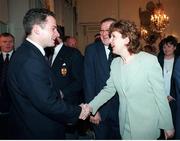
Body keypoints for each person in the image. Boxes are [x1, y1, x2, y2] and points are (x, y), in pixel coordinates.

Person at [82, 19, 175, 139]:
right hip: (124, 125)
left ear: (126, 39)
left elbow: (160, 96)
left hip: (146, 126)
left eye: (114, 37)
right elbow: (108, 90)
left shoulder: (149, 61)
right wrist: (90, 107)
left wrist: (167, 125)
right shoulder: (115, 63)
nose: (110, 40)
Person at [6, 8, 86, 139]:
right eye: (53, 28)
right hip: (38, 131)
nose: (57, 34)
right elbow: (47, 103)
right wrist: (79, 111)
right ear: (37, 29)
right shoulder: (29, 60)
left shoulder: (29, 53)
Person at [84, 17, 120, 139]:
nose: (104, 34)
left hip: (122, 110)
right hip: (100, 109)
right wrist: (92, 110)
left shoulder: (123, 51)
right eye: (101, 30)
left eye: (107, 30)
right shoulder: (91, 50)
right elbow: (88, 82)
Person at [46, 27, 84, 139]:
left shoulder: (73, 53)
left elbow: (80, 81)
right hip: (49, 106)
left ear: (57, 36)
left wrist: (62, 93)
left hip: (67, 104)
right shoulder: (44, 53)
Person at [157, 35, 178, 125]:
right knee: (160, 123)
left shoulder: (178, 61)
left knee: (173, 122)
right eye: (164, 47)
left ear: (175, 47)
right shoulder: (158, 60)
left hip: (174, 98)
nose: (166, 49)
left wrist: (172, 95)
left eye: (169, 46)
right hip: (159, 97)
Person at [0, 32, 15, 139]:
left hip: (15, 102)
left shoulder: (20, 57)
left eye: (10, 42)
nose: (7, 44)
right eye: (4, 42)